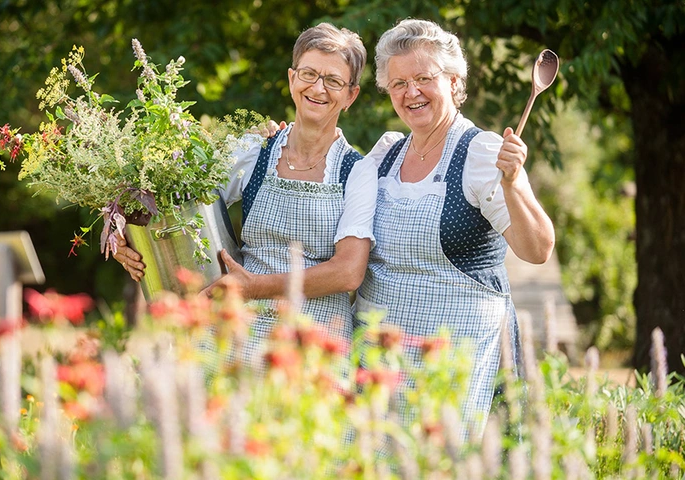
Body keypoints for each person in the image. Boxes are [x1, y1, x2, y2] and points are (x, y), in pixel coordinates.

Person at [114, 23, 378, 362]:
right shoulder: (254, 151)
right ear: (291, 79)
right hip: (239, 335)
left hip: (314, 345)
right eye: (309, 73)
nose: (318, 88)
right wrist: (126, 237)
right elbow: (176, 203)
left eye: (334, 80)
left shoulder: (358, 171)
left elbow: (348, 272)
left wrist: (254, 286)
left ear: (351, 96)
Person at [354, 18, 554, 438]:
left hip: (454, 362)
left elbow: (537, 249)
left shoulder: (480, 153)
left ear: (453, 80)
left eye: (424, 78)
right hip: (380, 355)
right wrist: (288, 139)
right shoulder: (386, 153)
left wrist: (514, 183)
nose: (411, 93)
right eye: (398, 83)